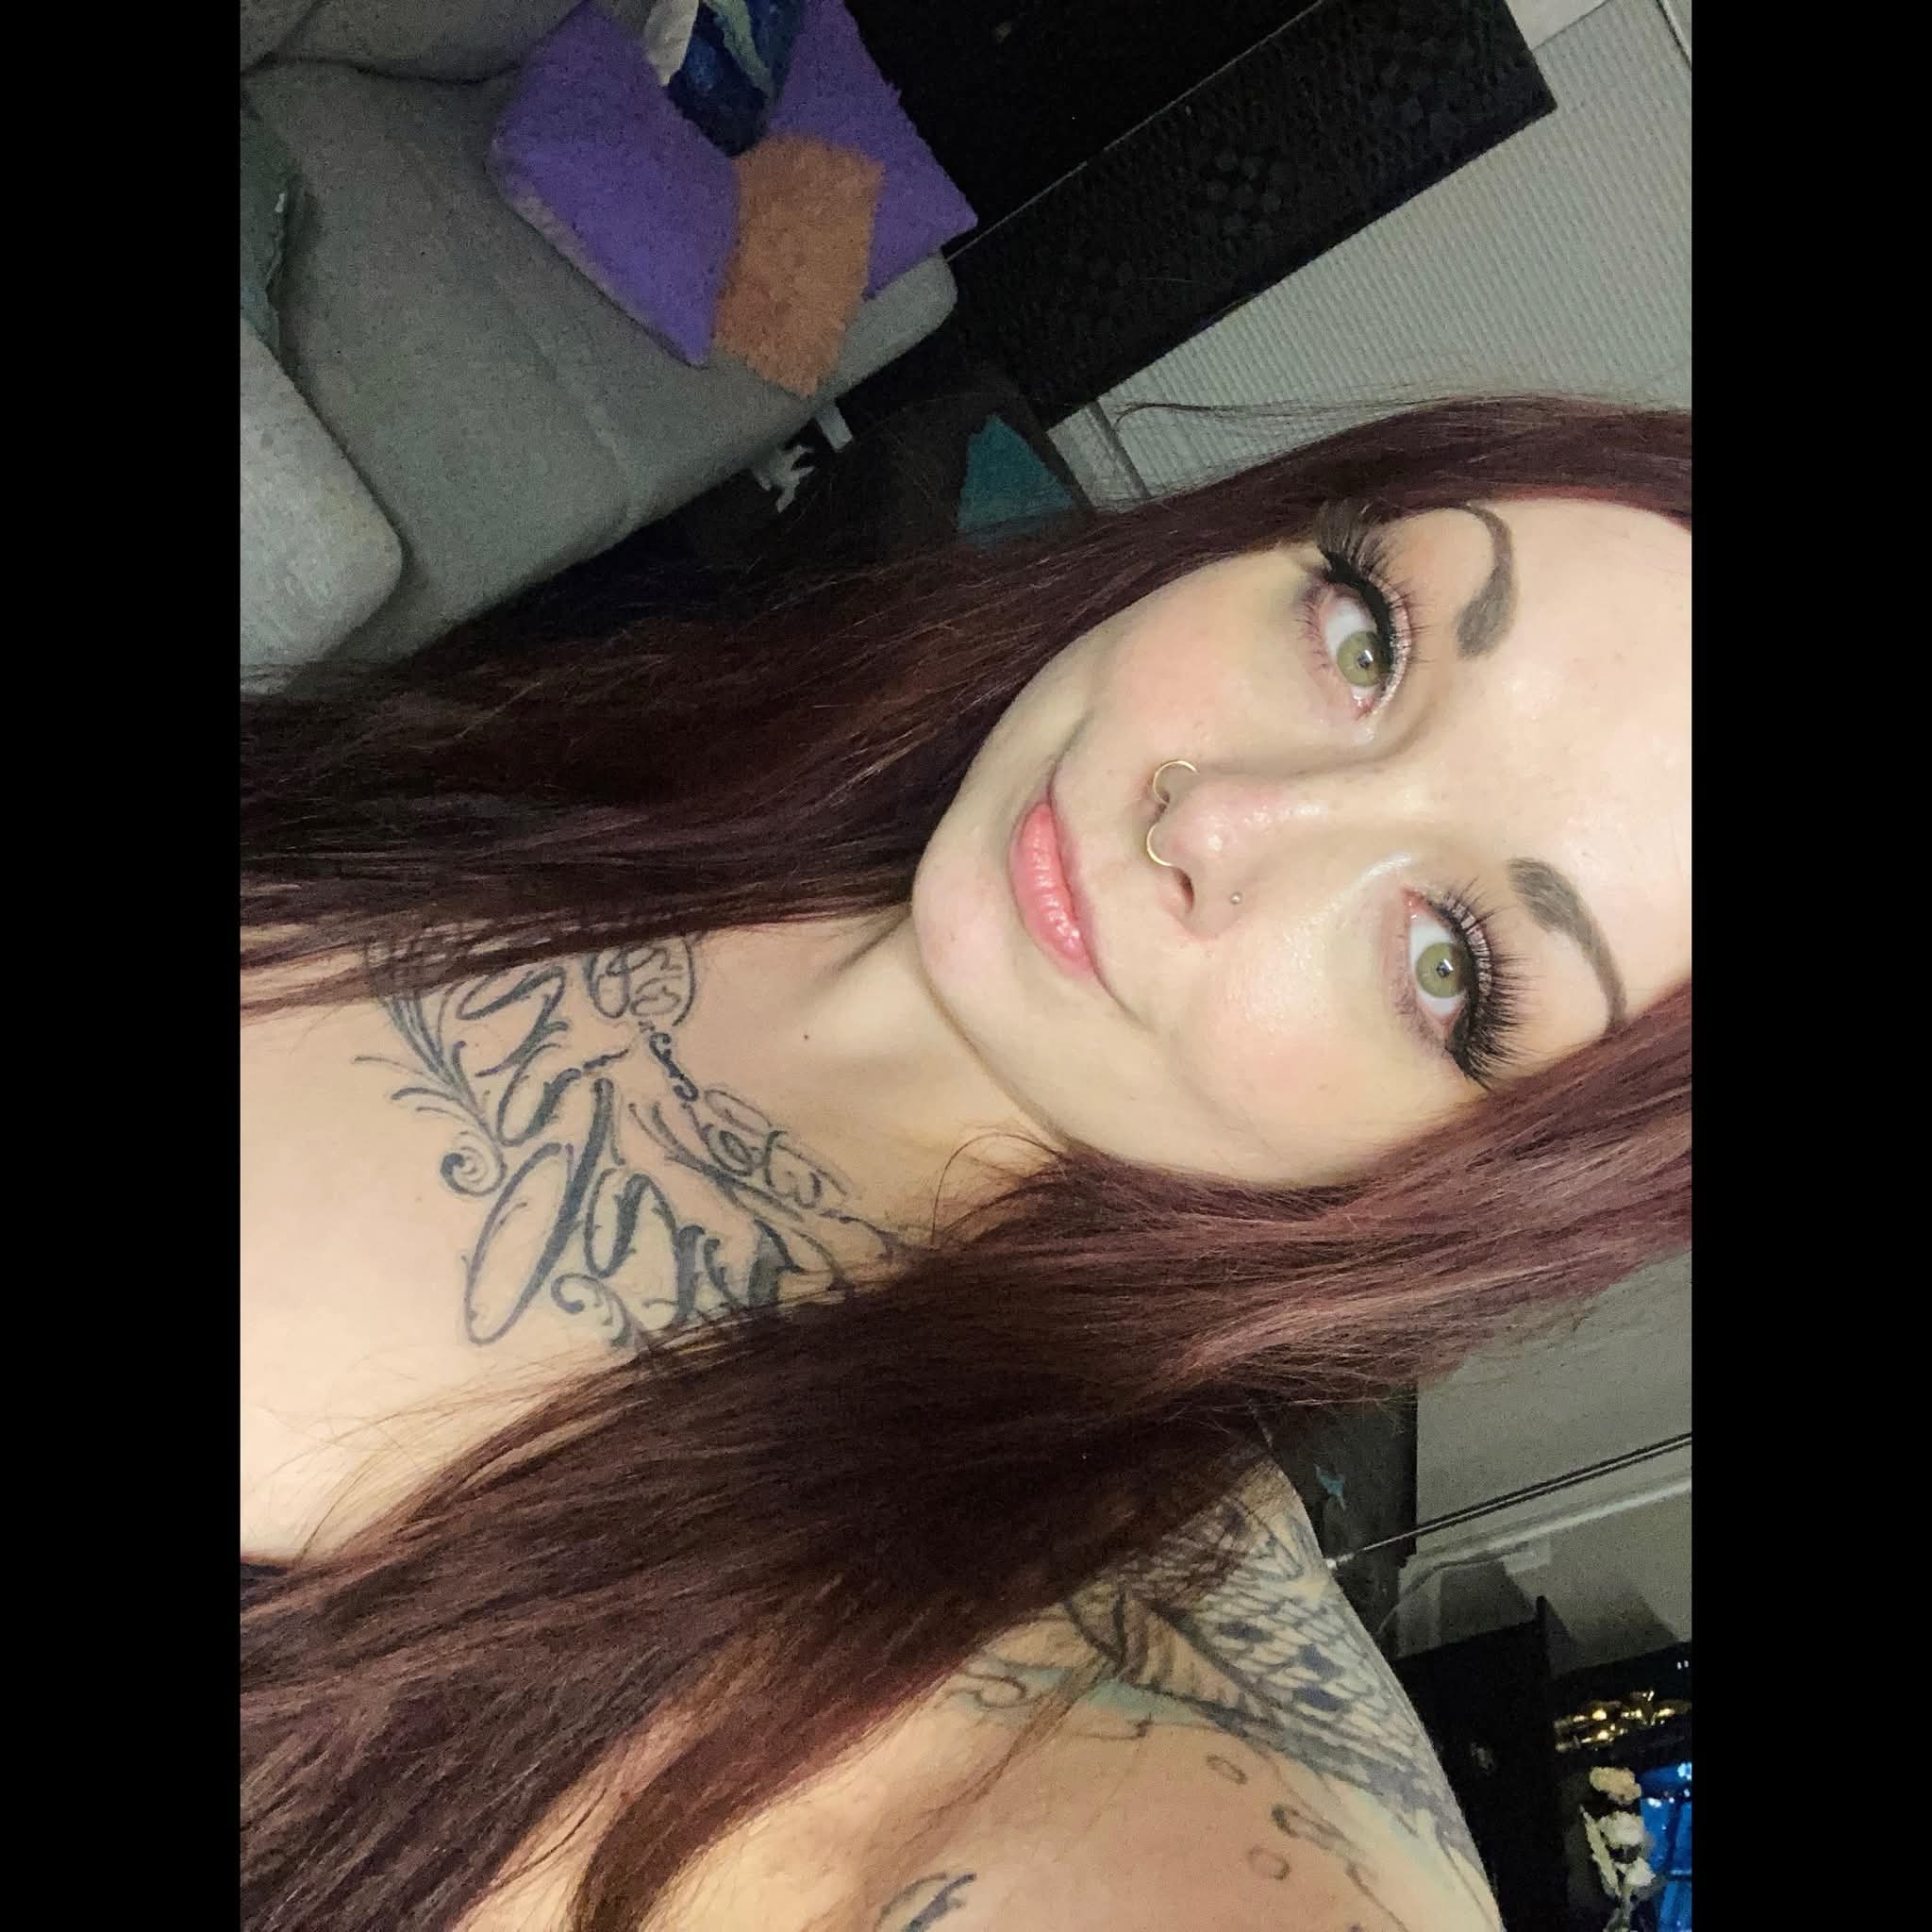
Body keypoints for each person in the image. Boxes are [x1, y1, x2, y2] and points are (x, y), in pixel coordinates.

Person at [240, 393, 1690, 1932]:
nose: (1221, 816)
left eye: (1450, 960)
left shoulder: (1095, 1698)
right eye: (1367, 643)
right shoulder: (730, 753)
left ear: (1479, 1185)